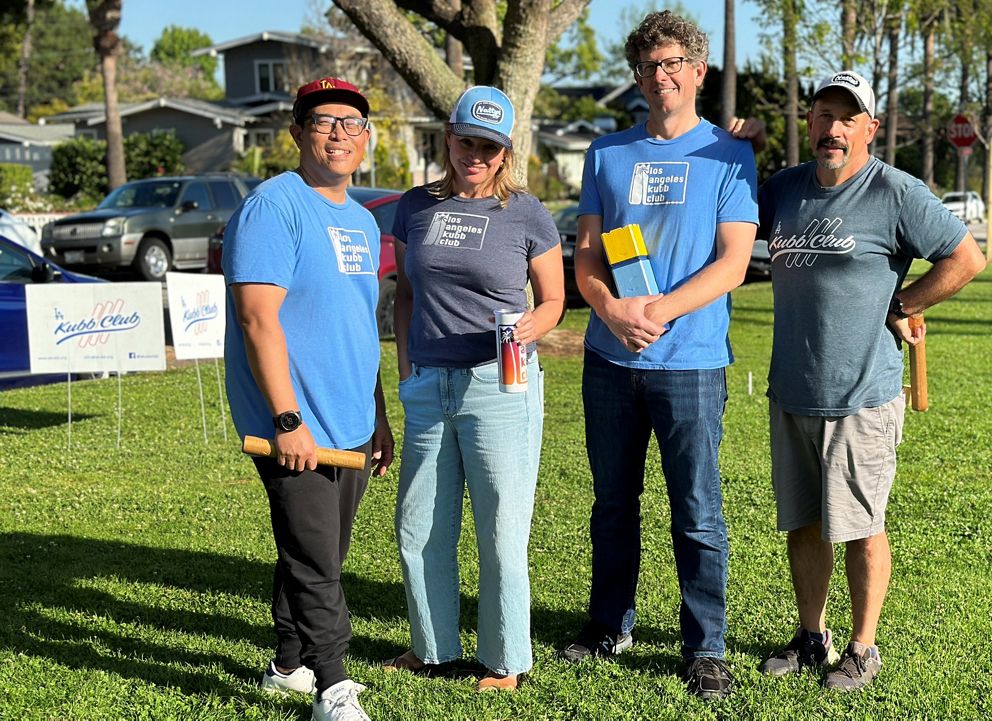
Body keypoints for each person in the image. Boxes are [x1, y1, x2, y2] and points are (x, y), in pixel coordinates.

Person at [750, 71, 986, 691]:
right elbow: (718, 215)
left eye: (848, 118)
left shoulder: (896, 192)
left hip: (862, 394)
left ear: (870, 129)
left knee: (860, 524)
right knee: (802, 523)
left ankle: (862, 647)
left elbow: (966, 258)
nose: (834, 128)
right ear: (809, 123)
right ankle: (811, 637)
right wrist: (735, 147)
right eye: (824, 115)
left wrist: (905, 303)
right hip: (792, 389)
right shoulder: (782, 191)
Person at [557, 10, 758, 701]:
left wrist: (659, 311)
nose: (661, 76)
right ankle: (609, 623)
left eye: (674, 63)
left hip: (692, 361)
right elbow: (586, 255)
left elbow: (734, 262)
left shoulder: (729, 156)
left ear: (699, 72)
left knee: (697, 508)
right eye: (649, 67)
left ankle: (705, 646)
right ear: (637, 77)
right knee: (612, 502)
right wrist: (612, 310)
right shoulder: (607, 154)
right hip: (610, 361)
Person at [223, 76, 394, 721]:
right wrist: (287, 418)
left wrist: (376, 417)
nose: (339, 134)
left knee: (315, 550)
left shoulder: (360, 219)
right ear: (296, 133)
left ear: (366, 138)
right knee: (316, 556)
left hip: (350, 419)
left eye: (352, 124)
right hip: (294, 421)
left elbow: (357, 322)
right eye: (324, 122)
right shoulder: (274, 207)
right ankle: (332, 686)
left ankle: (288, 667)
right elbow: (258, 320)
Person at [382, 85, 564, 693]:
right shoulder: (413, 207)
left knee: (500, 527)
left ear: (506, 151)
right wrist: (408, 369)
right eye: (466, 141)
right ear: (448, 139)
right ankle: (432, 648)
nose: (476, 155)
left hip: (500, 384)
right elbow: (405, 294)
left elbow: (555, 299)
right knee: (418, 524)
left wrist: (526, 330)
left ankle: (506, 659)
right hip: (430, 384)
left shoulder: (528, 214)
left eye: (490, 146)